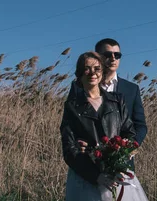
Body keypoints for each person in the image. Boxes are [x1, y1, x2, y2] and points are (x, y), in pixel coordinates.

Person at [60, 51, 148, 201]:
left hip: (117, 174)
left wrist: (120, 153)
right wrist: (96, 176)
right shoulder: (72, 106)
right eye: (87, 68)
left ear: (102, 71)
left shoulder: (117, 100)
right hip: (87, 178)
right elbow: (69, 149)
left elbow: (129, 132)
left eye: (97, 68)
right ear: (80, 73)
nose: (92, 73)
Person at [94, 38, 147, 147]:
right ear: (97, 57)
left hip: (121, 159)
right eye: (108, 54)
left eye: (117, 55)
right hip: (87, 159)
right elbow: (69, 126)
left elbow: (140, 125)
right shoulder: (80, 87)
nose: (113, 58)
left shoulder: (132, 89)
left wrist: (130, 147)